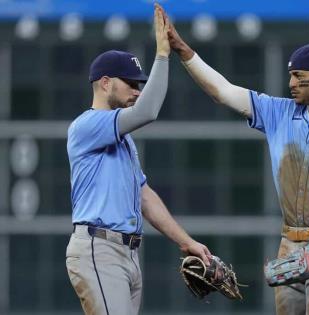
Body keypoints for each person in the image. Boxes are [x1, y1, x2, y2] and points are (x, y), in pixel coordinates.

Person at [165, 11, 309, 315]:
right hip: (290, 242)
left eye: (299, 76)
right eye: (291, 75)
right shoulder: (280, 112)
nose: (291, 82)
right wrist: (183, 51)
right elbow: (223, 92)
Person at [65, 5, 212, 315]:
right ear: (105, 83)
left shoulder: (124, 140)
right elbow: (147, 111)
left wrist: (185, 241)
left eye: (139, 84)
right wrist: (162, 53)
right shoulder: (87, 125)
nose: (137, 90)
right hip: (98, 248)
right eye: (130, 83)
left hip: (128, 254)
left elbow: (145, 198)